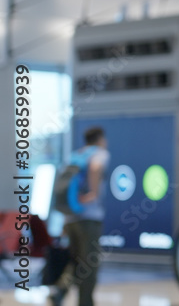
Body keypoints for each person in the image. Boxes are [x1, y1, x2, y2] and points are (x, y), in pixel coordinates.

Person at [49, 126, 110, 306]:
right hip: (89, 218)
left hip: (70, 217)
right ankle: (86, 302)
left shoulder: (75, 155)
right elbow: (96, 167)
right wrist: (93, 192)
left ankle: (60, 291)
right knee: (89, 263)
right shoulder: (99, 154)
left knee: (75, 261)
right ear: (100, 138)